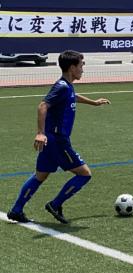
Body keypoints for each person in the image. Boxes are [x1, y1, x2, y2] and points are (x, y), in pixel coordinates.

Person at [7, 50, 111, 224]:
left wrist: (93, 103)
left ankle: (16, 210)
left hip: (52, 140)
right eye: (81, 65)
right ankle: (55, 204)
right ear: (72, 67)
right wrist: (40, 133)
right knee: (84, 174)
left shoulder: (66, 86)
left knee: (40, 176)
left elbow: (73, 96)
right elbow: (42, 105)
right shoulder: (61, 86)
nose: (83, 69)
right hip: (58, 140)